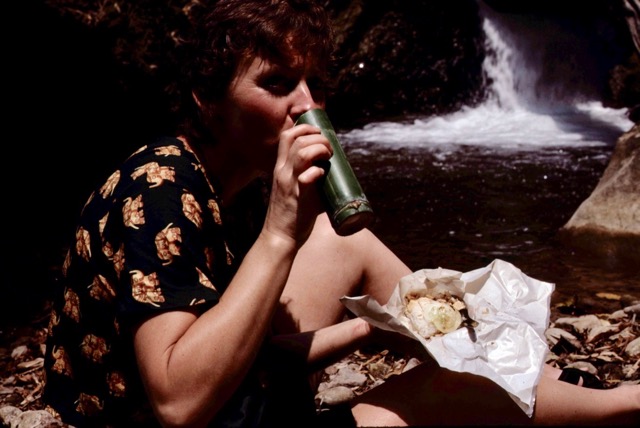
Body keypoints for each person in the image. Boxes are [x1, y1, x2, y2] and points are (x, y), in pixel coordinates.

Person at [42, 0, 639, 426]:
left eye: (314, 84)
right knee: (429, 396)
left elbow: (250, 342)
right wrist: (279, 232)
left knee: (343, 241)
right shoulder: (161, 192)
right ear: (209, 99)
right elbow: (179, 403)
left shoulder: (233, 179)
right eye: (277, 83)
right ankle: (621, 405)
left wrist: (371, 325)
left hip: (229, 384)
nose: (306, 106)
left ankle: (534, 378)